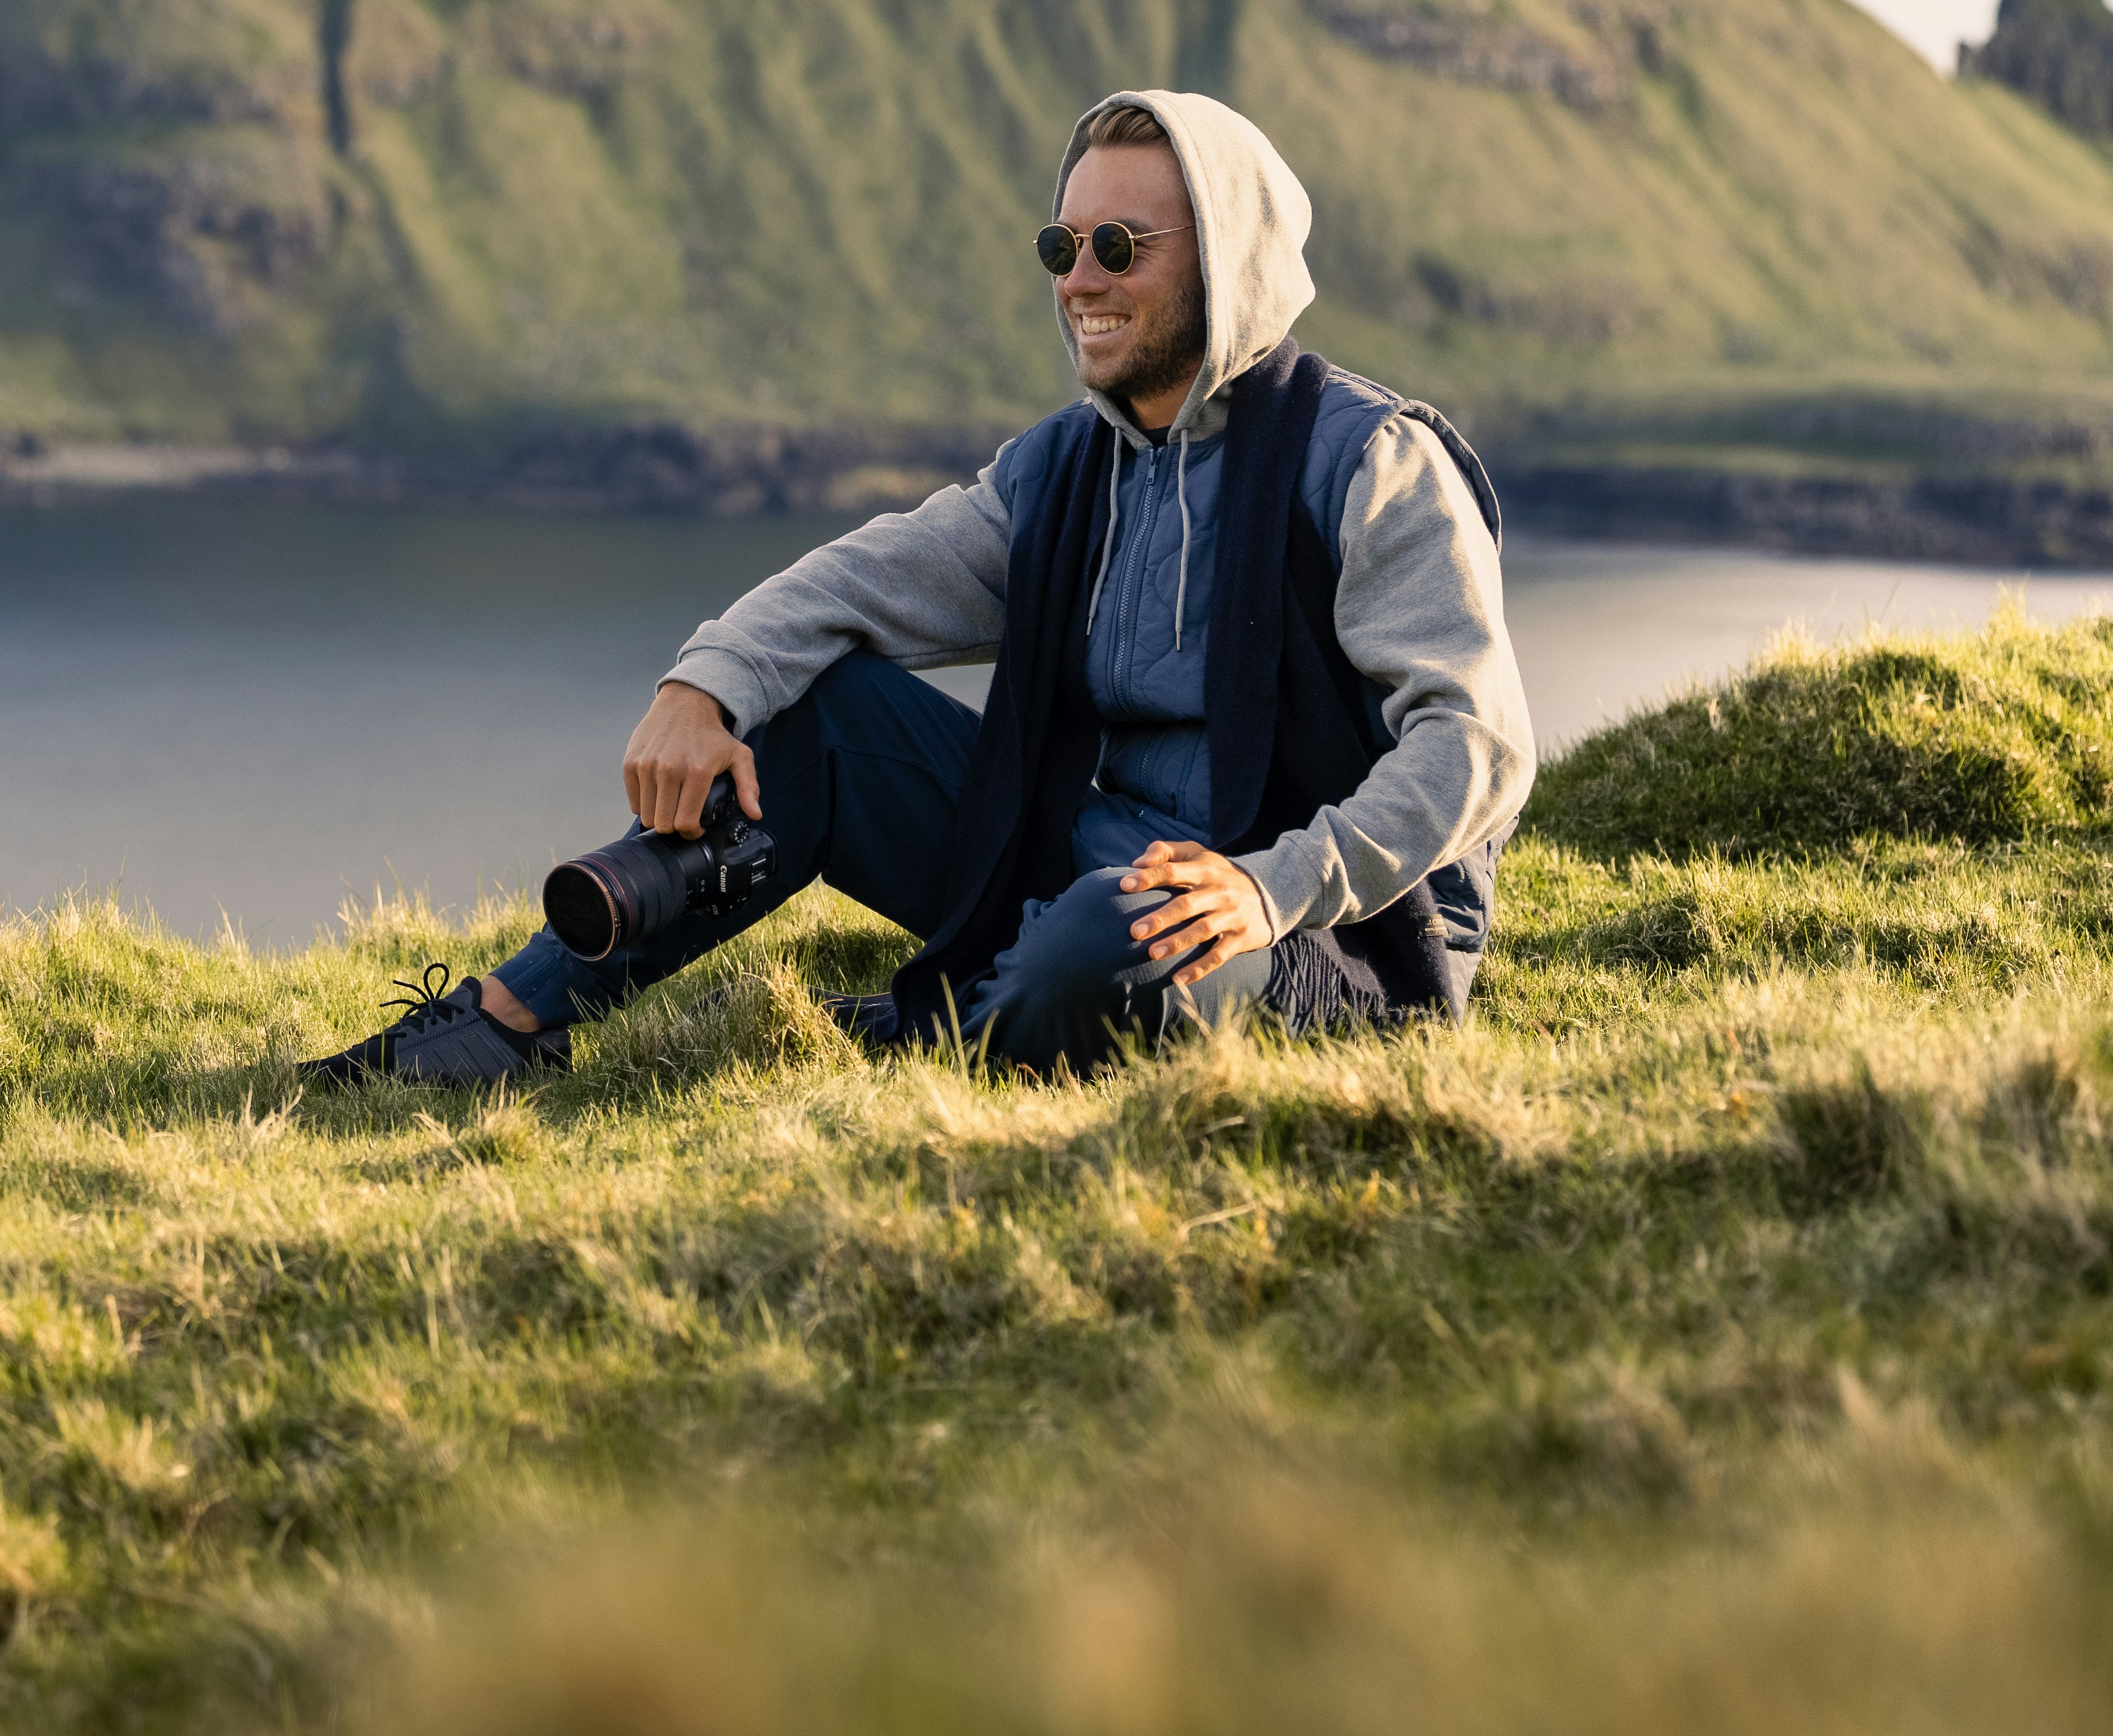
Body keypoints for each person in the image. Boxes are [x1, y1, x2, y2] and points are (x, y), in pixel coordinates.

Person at [305, 89, 1535, 1089]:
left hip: (1316, 931)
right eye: (1063, 246)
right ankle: (507, 1024)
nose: (1080, 279)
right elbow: (867, 581)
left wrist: (1271, 887)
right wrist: (703, 681)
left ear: (1226, 256)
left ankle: (946, 1023)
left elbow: (1475, 747)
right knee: (819, 717)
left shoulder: (1370, 463)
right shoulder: (1065, 471)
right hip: (1102, 855)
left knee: (1110, 935)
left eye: (1119, 248)